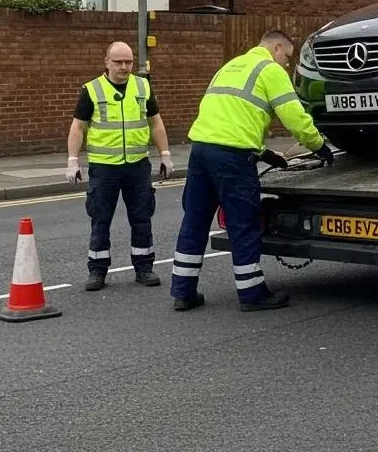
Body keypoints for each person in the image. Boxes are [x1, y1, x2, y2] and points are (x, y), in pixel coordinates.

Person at [169, 29, 334, 312]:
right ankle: (252, 293)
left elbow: (229, 117)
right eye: (287, 58)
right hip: (232, 158)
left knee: (195, 220)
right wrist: (319, 146)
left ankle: (183, 292)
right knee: (243, 222)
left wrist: (264, 153)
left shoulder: (230, 66)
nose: (287, 65)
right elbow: (294, 117)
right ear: (277, 48)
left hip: (201, 151)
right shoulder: (270, 70)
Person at [66, 41, 174, 292]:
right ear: (106, 62)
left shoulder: (142, 86)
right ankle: (97, 271)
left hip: (137, 166)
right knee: (100, 219)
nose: (124, 67)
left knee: (142, 218)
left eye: (128, 62)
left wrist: (165, 154)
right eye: (118, 62)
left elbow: (155, 123)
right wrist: (72, 161)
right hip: (104, 168)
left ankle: (144, 268)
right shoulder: (92, 90)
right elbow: (78, 127)